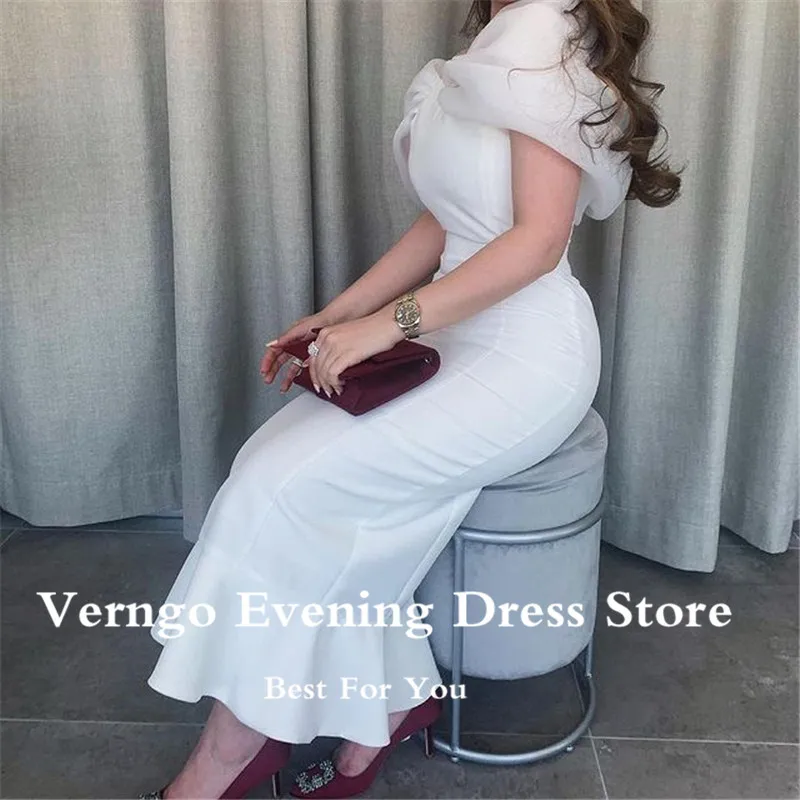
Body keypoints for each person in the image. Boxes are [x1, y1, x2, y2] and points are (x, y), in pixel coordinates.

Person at [140, 0, 681, 798]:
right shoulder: (500, 42)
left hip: (526, 358)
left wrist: (386, 325)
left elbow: (536, 241)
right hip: (456, 330)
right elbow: (445, 222)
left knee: (286, 488)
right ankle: (392, 698)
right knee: (266, 465)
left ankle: (233, 748)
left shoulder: (544, 35)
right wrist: (338, 315)